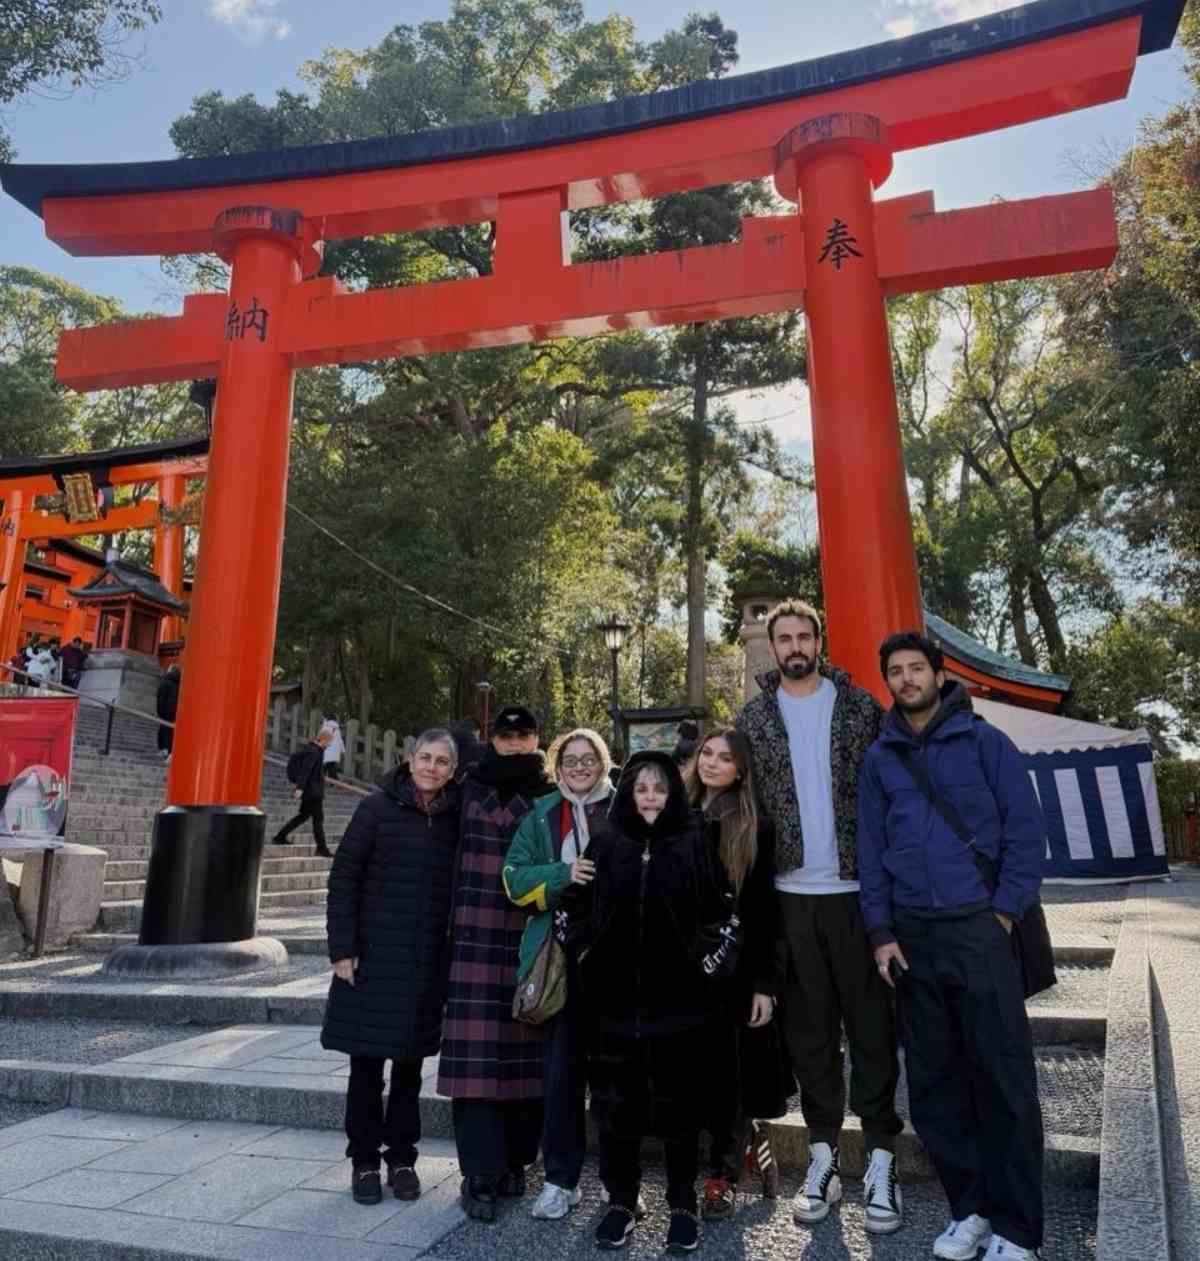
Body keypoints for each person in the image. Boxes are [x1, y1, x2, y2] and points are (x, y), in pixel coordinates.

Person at [858, 631, 1046, 1261]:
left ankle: (1018, 1228)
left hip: (978, 928)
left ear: (939, 675)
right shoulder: (879, 759)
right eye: (896, 671)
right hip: (912, 936)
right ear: (888, 681)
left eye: (917, 668)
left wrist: (1002, 914)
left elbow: (1025, 832)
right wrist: (880, 932)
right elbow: (872, 852)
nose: (907, 679)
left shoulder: (987, 742)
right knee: (935, 1084)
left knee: (1002, 1078)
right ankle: (970, 1210)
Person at [735, 599, 903, 1234]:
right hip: (788, 897)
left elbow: (899, 781)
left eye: (806, 634)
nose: (795, 645)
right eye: (785, 637)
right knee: (809, 1036)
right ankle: (826, 1156)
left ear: (820, 641)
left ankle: (882, 1158)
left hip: (858, 892)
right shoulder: (753, 718)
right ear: (772, 647)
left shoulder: (861, 709)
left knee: (872, 1031)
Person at [566, 751, 738, 1255]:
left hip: (679, 1009)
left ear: (673, 793)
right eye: (641, 788)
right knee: (616, 1112)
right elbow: (574, 907)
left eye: (659, 789)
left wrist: (706, 965)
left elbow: (725, 915)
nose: (649, 798)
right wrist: (582, 953)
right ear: (628, 792)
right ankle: (621, 1201)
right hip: (613, 1009)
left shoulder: (696, 839)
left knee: (680, 1113)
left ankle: (682, 1204)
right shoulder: (607, 840)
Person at [322, 728, 462, 1205]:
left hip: (423, 966)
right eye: (426, 757)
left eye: (443, 762)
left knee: (409, 1069)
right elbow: (343, 877)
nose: (432, 768)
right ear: (409, 758)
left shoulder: (454, 817)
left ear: (453, 770)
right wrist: (342, 949)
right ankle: (363, 1161)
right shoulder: (376, 808)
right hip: (372, 960)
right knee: (365, 1069)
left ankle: (402, 1158)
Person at [438, 704, 557, 1223]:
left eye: (523, 734)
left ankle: (517, 1163)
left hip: (533, 938)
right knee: (476, 1067)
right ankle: (479, 1172)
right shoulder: (466, 787)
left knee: (530, 1058)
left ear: (537, 739)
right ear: (493, 737)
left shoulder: (553, 794)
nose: (513, 742)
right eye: (506, 735)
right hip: (472, 939)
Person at [502, 726, 614, 1222]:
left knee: (616, 1076)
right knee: (561, 1075)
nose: (580, 767)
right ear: (557, 765)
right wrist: (561, 875)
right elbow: (513, 879)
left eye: (589, 759)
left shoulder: (625, 807)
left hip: (616, 957)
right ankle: (559, 1180)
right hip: (557, 956)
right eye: (570, 760)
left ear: (604, 761)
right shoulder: (542, 814)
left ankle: (619, 1182)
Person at [685, 728, 793, 1219]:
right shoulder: (674, 814)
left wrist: (766, 984)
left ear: (740, 770)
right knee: (685, 1075)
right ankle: (683, 1170)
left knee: (728, 1079)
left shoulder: (755, 826)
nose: (711, 763)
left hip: (733, 970)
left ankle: (721, 1176)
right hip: (678, 968)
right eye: (706, 753)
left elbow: (766, 911)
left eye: (724, 758)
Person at [272, 729, 334, 858]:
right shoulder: (314, 752)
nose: (330, 745)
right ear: (324, 740)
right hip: (313, 792)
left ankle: (280, 836)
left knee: (303, 816)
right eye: (329, 742)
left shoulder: (313, 750)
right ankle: (321, 848)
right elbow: (306, 770)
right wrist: (300, 788)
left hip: (311, 790)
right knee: (318, 820)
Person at [156, 665, 181, 761]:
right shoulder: (179, 683)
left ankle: (163, 749)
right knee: (171, 730)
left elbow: (161, 698)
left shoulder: (165, 681)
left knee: (164, 728)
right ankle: (169, 750)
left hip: (165, 710)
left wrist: (159, 711)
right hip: (175, 711)